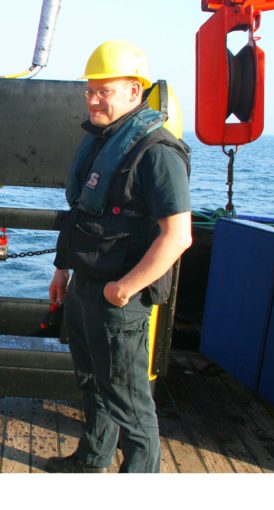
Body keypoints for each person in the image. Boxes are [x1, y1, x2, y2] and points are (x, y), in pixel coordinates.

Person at [47, 40, 192, 473]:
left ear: (134, 91)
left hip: (119, 297)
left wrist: (124, 289)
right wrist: (62, 271)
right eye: (89, 89)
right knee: (93, 384)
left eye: (103, 90)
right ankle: (92, 461)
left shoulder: (157, 152)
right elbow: (82, 214)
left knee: (128, 401)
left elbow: (178, 235)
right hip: (85, 285)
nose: (92, 99)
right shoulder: (101, 140)